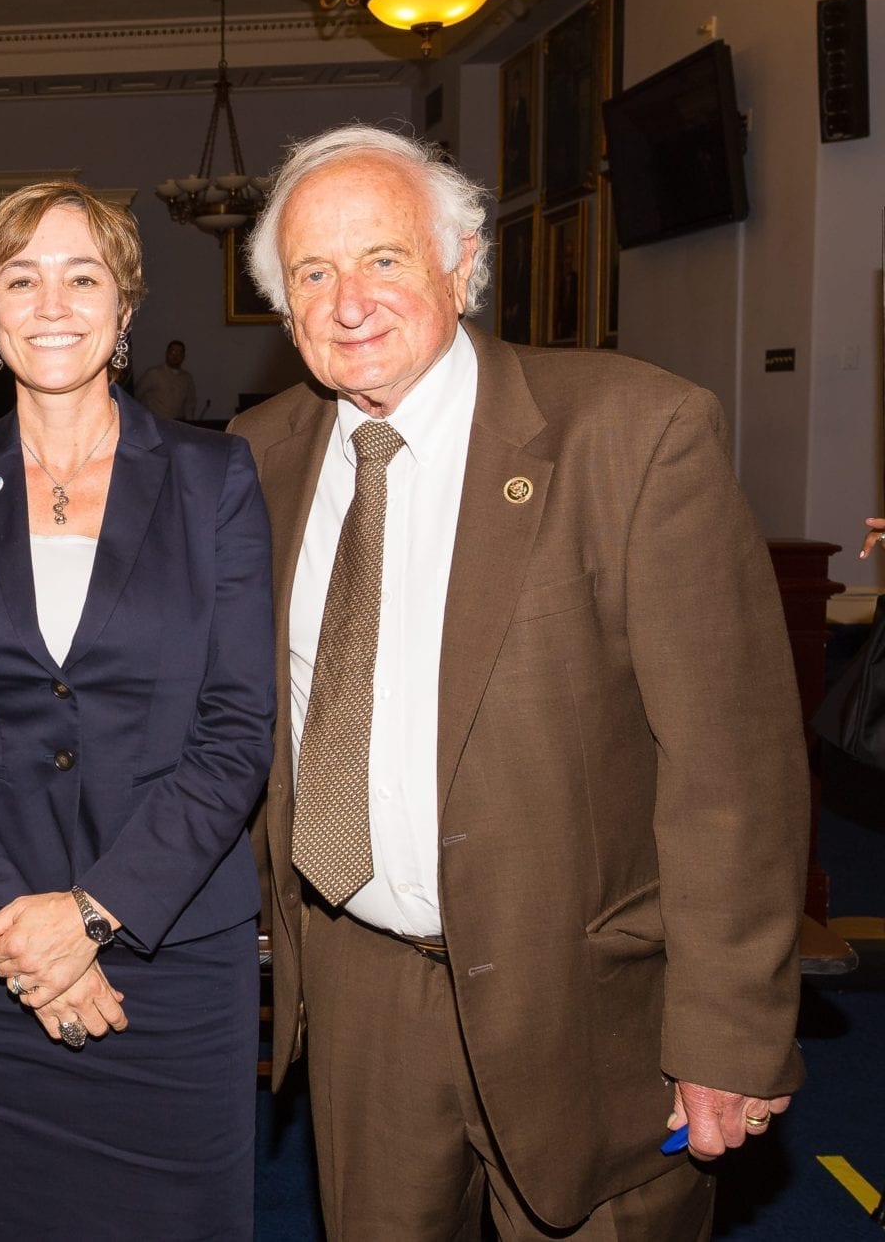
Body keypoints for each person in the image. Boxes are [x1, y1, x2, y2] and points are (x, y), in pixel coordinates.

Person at [230, 123, 808, 1238]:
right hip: (362, 994)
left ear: (461, 264)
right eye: (312, 272)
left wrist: (728, 1033)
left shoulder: (633, 436)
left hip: (587, 1003)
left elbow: (729, 773)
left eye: (385, 258)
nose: (349, 300)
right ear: (282, 305)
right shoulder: (257, 457)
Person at [0, 181, 275, 1239]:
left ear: (125, 304)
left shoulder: (214, 477)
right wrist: (19, 935)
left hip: (171, 950)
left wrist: (91, 915)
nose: (51, 301)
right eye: (20, 277)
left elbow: (235, 731)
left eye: (81, 275)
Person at [136, 337, 197, 420]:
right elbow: (137, 394)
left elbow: (190, 403)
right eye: (173, 352)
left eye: (179, 353)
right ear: (167, 353)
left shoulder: (187, 378)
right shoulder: (153, 373)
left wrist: (190, 424)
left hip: (178, 423)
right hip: (156, 422)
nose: (175, 356)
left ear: (183, 356)